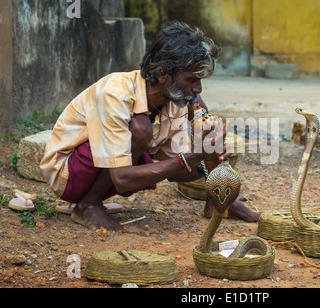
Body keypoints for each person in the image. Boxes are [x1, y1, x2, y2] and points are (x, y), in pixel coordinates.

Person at [40, 21, 259, 231]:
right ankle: (87, 205)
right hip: (67, 174)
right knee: (140, 129)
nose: (198, 89)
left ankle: (219, 203)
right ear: (164, 73)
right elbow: (122, 178)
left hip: (103, 173)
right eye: (192, 79)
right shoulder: (115, 93)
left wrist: (211, 158)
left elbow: (174, 172)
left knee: (202, 141)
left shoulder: (173, 100)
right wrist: (191, 157)